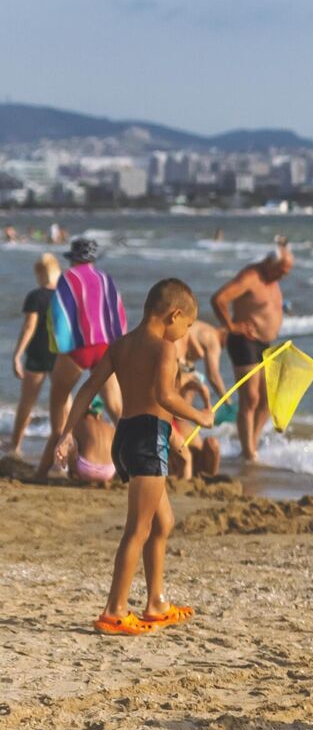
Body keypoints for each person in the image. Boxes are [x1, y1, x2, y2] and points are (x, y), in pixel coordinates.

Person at [48, 278, 213, 635]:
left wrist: (66, 433)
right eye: (185, 328)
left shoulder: (120, 345)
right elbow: (165, 397)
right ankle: (114, 610)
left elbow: (89, 388)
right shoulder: (165, 348)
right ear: (175, 314)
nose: (183, 335)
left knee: (162, 522)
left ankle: (156, 603)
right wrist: (201, 416)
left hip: (127, 437)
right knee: (137, 529)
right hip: (147, 440)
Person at [34, 238, 127, 477]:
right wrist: (119, 346)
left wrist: (59, 347)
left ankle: (57, 461)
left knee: (59, 400)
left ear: (73, 258)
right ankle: (133, 464)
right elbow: (118, 313)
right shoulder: (106, 279)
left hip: (79, 347)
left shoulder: (68, 277)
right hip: (106, 347)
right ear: (93, 259)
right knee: (116, 409)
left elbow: (58, 312)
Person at [208, 248, 290, 462]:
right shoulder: (250, 277)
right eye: (282, 270)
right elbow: (219, 299)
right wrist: (231, 326)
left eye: (287, 272)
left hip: (265, 343)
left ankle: (251, 446)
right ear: (270, 263)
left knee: (267, 401)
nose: (284, 275)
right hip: (244, 342)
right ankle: (247, 451)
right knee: (250, 398)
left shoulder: (272, 279)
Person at [9, 252, 60, 457]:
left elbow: (29, 326)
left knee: (27, 403)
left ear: (40, 273)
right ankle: (65, 449)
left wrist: (17, 354)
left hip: (38, 354)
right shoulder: (65, 296)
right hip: (61, 354)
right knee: (64, 403)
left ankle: (16, 447)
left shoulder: (35, 296)